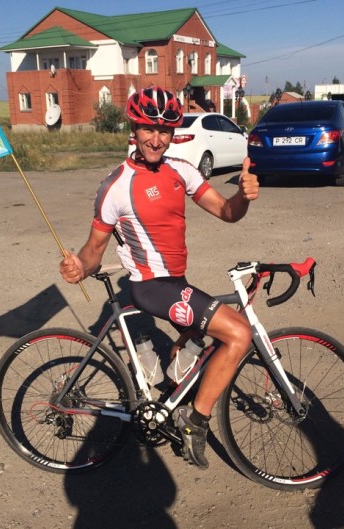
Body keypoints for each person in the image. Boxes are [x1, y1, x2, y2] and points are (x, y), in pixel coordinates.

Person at [59, 86, 259, 469]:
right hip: (152, 288)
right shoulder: (116, 185)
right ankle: (194, 423)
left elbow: (227, 211)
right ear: (133, 131)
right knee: (238, 333)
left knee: (197, 343)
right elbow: (93, 250)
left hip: (175, 283)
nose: (156, 139)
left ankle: (167, 399)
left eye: (165, 131)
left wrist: (244, 198)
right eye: (148, 129)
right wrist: (79, 267)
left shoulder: (180, 170)